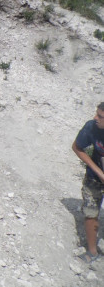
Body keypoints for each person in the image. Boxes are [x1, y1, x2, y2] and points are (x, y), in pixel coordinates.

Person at [72, 102, 104, 263]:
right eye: (97, 113)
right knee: (90, 212)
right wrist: (97, 171)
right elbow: (77, 147)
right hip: (94, 178)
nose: (95, 118)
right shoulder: (91, 127)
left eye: (100, 116)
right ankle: (92, 252)